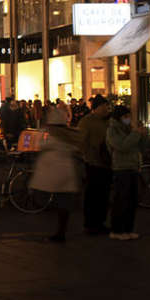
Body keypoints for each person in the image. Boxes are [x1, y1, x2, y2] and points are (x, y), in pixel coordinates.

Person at [30, 107, 83, 243]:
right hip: (67, 172)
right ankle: (61, 232)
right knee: (64, 203)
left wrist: (42, 130)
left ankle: (58, 232)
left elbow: (40, 144)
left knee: (42, 195)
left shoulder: (51, 136)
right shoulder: (70, 134)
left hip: (51, 172)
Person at [106, 106, 150, 241]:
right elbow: (122, 146)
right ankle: (117, 230)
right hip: (121, 168)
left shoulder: (129, 128)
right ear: (119, 117)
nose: (129, 119)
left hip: (133, 167)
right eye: (126, 116)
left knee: (132, 200)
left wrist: (142, 135)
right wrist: (136, 133)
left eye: (129, 116)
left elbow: (139, 147)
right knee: (121, 200)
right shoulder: (112, 130)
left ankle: (128, 229)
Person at [77, 95, 112, 235]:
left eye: (107, 106)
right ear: (96, 108)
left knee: (104, 195)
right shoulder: (86, 122)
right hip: (93, 163)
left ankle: (100, 222)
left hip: (107, 163)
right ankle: (90, 224)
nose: (106, 109)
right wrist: (89, 155)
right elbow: (81, 141)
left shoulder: (109, 121)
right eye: (104, 107)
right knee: (93, 195)